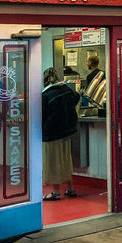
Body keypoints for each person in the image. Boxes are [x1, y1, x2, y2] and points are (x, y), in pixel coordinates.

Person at [42, 67, 80, 201]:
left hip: (51, 133)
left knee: (52, 162)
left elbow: (41, 115)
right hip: (67, 131)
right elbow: (76, 97)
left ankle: (55, 191)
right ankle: (71, 188)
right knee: (65, 160)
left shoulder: (45, 95)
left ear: (45, 80)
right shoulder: (66, 89)